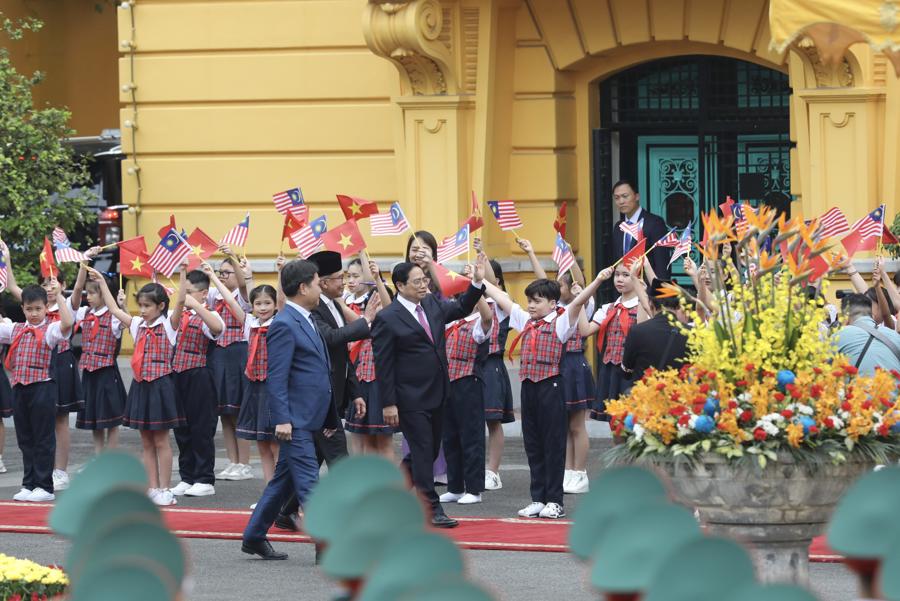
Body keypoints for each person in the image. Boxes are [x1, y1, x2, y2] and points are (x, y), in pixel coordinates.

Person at [480, 255, 595, 520]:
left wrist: (598, 281)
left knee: (553, 444)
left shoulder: (561, 322)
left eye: (537, 301)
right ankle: (538, 498)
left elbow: (578, 302)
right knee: (533, 444)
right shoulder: (525, 320)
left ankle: (555, 500)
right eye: (530, 300)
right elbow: (503, 299)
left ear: (552, 303)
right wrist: (481, 281)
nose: (530, 305)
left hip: (551, 386)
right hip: (529, 387)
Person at [372, 261, 485, 528]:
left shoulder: (432, 305)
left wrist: (477, 283)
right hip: (409, 397)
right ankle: (429, 507)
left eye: (425, 280)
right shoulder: (388, 317)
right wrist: (389, 404)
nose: (424, 285)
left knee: (430, 450)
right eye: (417, 282)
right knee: (423, 450)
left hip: (438, 391)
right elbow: (384, 365)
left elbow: (460, 308)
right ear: (400, 286)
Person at [241, 259, 335, 560]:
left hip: (310, 415)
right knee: (309, 482)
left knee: (283, 483)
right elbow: (276, 376)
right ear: (303, 287)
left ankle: (254, 536)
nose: (321, 287)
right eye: (318, 282)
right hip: (293, 420)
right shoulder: (284, 323)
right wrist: (282, 419)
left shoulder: (305, 317)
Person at [89, 268, 184, 506]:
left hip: (161, 385)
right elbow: (113, 309)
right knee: (146, 441)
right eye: (140, 305)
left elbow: (181, 300)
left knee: (161, 440)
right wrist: (102, 282)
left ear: (160, 306)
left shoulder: (170, 325)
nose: (142, 310)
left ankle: (165, 488)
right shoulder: (137, 325)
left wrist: (182, 272)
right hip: (141, 386)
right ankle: (151, 487)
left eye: (147, 306)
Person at [516, 237, 594, 494]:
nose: (558, 287)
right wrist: (531, 253)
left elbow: (579, 283)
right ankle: (568, 471)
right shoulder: (552, 308)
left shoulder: (579, 305)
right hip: (558, 367)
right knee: (561, 425)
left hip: (574, 366)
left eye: (562, 283)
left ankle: (579, 472)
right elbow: (543, 282)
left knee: (576, 424)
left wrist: (570, 255)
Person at [4, 246, 82, 492]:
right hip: (20, 389)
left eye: (38, 309)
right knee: (25, 439)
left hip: (43, 388)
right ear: (23, 309)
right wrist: (5, 261)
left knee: (44, 438)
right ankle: (28, 484)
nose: (34, 313)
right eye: (29, 309)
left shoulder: (50, 329)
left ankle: (44, 486)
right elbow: (12, 290)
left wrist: (58, 294)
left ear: (45, 309)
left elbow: (68, 323)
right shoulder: (14, 328)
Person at [168, 267, 225, 498]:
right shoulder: (178, 314)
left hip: (200, 375)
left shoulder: (208, 312)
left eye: (189, 291)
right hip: (177, 373)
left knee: (201, 427)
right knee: (181, 428)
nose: (184, 295)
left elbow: (217, 328)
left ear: (203, 293)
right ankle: (187, 476)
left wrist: (197, 307)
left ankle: (204, 478)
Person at [438, 280, 493, 505]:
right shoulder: (448, 322)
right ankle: (455, 486)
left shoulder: (477, 323)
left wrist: (477, 289)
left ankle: (474, 489)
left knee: (471, 437)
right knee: (449, 436)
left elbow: (488, 318)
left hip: (468, 381)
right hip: (447, 382)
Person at [69, 262, 128, 453]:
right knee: (94, 418)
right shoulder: (85, 313)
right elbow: (72, 301)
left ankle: (110, 458)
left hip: (106, 372)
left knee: (111, 419)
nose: (89, 297)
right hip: (89, 372)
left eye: (92, 293)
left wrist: (123, 305)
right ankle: (98, 456)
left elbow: (128, 323)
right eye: (88, 293)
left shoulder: (113, 317)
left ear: (104, 293)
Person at [344, 254, 396, 458]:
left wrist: (376, 278)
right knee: (363, 438)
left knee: (383, 441)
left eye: (379, 304)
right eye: (373, 305)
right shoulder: (365, 321)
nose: (377, 309)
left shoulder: (390, 324)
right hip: (361, 382)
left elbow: (389, 307)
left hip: (381, 385)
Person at [209, 250, 253, 481]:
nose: (223, 276)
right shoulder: (214, 297)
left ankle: (244, 463)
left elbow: (244, 285)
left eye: (227, 272)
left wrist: (236, 261)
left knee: (238, 410)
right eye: (220, 273)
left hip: (238, 352)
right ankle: (233, 461)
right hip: (219, 353)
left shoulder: (243, 296)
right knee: (224, 413)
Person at [584, 262, 647, 420]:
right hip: (611, 371)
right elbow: (585, 330)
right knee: (614, 422)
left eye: (626, 275)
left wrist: (642, 294)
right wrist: (578, 302)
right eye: (617, 274)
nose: (620, 279)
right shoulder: (608, 308)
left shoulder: (644, 306)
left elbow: (642, 330)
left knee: (632, 420)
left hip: (632, 371)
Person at [621, 279, 689, 380]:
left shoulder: (637, 331)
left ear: (650, 303)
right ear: (678, 305)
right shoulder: (691, 333)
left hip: (645, 393)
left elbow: (626, 371)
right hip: (680, 394)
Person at [609, 179, 671, 279]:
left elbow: (662, 265)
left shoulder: (655, 223)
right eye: (617, 198)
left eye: (625, 196)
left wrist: (657, 291)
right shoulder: (618, 227)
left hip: (646, 289)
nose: (621, 201)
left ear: (636, 196)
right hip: (623, 290)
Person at [837, 293, 900, 375]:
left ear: (846, 317)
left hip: (859, 387)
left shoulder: (839, 335)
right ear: (872, 316)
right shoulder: (895, 336)